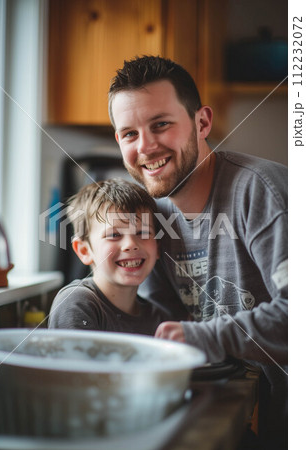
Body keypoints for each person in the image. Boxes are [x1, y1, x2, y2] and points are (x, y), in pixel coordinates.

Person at [108, 56, 287, 448]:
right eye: (129, 134)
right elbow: (164, 320)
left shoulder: (260, 191)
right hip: (238, 409)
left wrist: (205, 337)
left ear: (202, 123)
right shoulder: (153, 218)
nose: (146, 146)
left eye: (161, 125)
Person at [48, 178, 168, 335]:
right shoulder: (76, 303)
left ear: (157, 247)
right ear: (84, 251)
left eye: (143, 233)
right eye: (114, 235)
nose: (131, 244)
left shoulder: (159, 318)